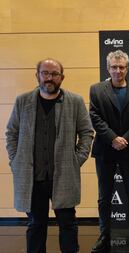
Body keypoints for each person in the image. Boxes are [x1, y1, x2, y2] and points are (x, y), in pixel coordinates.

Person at [5, 58, 94, 253]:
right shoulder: (23, 101)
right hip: (33, 177)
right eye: (45, 73)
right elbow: (11, 133)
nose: (49, 78)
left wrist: (76, 160)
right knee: (36, 225)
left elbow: (87, 133)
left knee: (67, 224)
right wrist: (15, 160)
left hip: (63, 175)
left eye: (54, 74)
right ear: (37, 75)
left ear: (62, 77)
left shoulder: (75, 101)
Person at [89, 50, 129, 252]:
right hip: (106, 149)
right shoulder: (96, 89)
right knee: (104, 196)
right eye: (114, 67)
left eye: (122, 67)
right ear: (108, 68)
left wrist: (126, 138)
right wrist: (113, 138)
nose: (118, 70)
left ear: (127, 68)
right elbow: (95, 116)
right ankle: (104, 235)